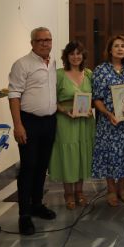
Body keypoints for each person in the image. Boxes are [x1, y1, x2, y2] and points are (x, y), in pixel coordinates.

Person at [8, 27, 58, 236]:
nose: (45, 44)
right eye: (41, 41)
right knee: (28, 167)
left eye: (48, 40)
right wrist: (18, 125)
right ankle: (24, 215)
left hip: (49, 121)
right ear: (32, 43)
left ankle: (37, 204)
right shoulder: (22, 64)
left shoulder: (52, 63)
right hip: (29, 122)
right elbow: (14, 95)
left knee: (42, 166)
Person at [91, 35, 124, 207]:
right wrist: (107, 113)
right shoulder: (100, 70)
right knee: (109, 155)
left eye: (123, 46)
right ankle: (111, 189)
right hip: (109, 122)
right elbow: (97, 98)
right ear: (109, 50)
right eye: (116, 46)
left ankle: (122, 187)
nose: (120, 49)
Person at [48, 41, 95, 210]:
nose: (76, 57)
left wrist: (91, 109)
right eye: (72, 54)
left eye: (78, 53)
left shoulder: (89, 73)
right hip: (66, 120)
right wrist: (63, 111)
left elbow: (94, 98)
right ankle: (68, 193)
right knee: (68, 155)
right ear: (66, 56)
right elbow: (51, 100)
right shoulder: (59, 74)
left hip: (85, 121)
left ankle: (80, 192)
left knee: (82, 153)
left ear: (83, 56)